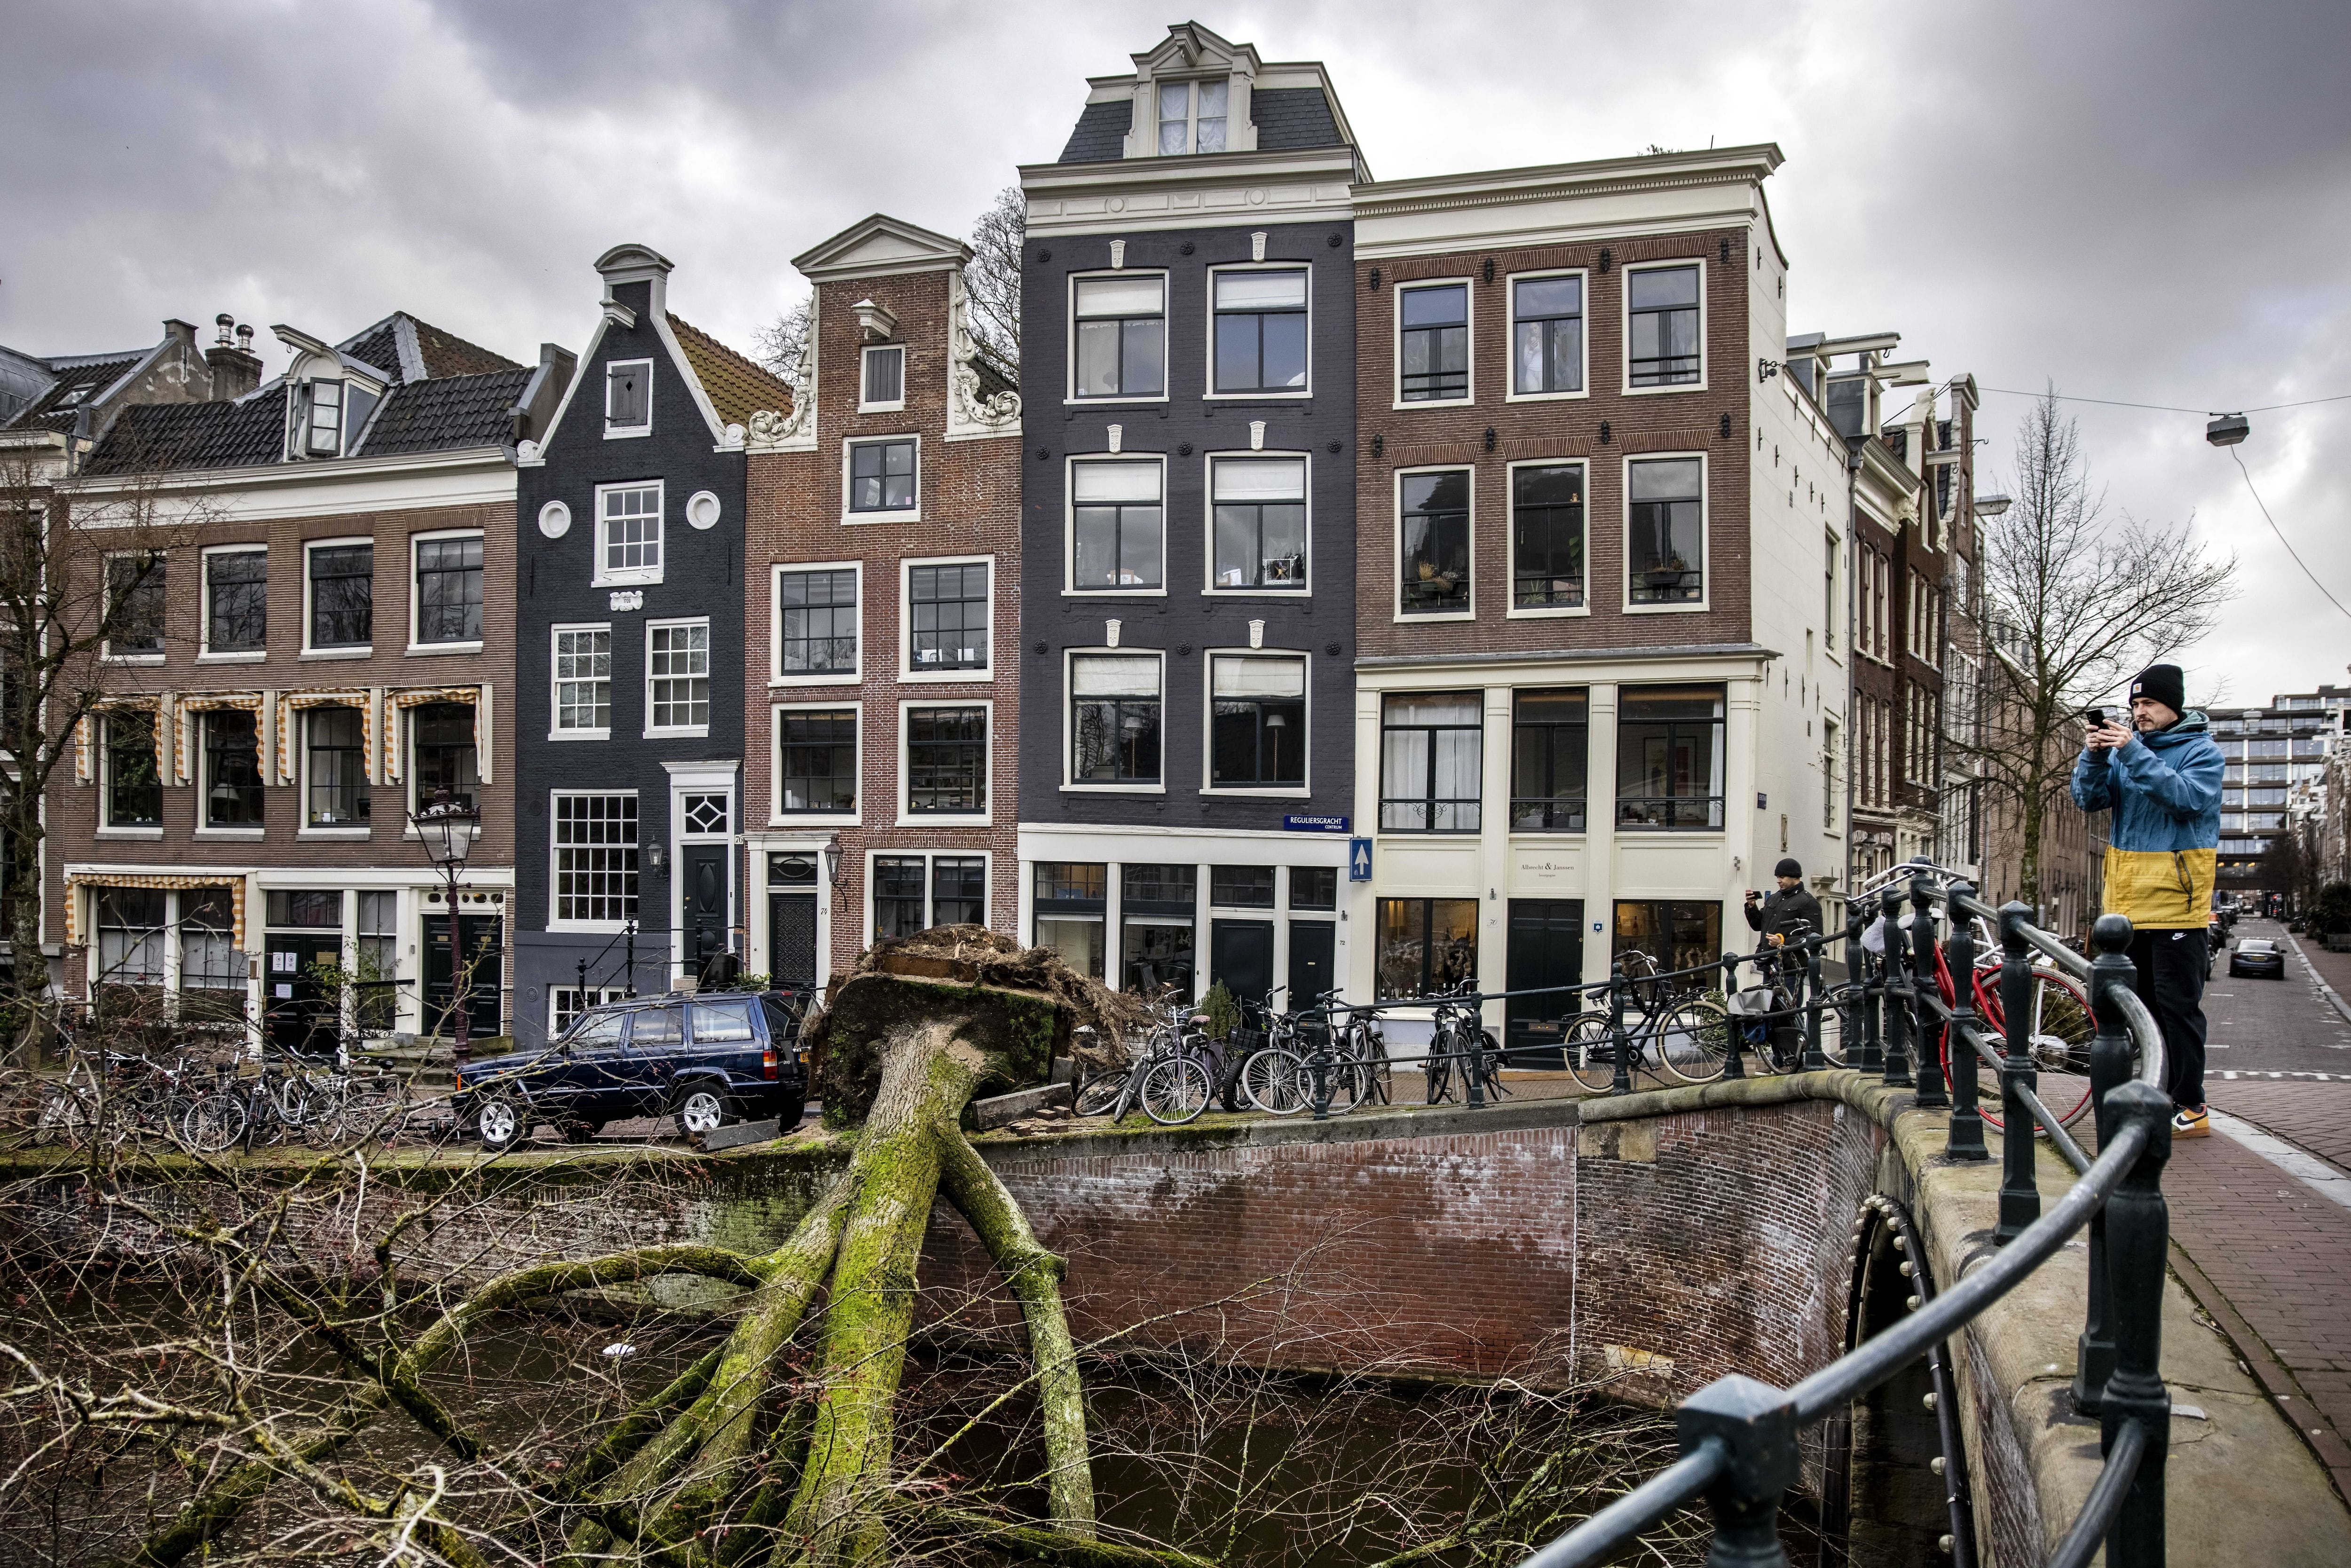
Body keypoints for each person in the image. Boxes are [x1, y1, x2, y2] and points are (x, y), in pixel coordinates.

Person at [2071, 662, 2223, 1138]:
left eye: (2148, 704)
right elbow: (2088, 800)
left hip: (2177, 903)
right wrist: (2093, 756)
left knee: (2178, 1006)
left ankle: (2191, 1104)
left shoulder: (2202, 753)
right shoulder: (2122, 752)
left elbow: (2183, 798)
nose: (2139, 712)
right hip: (2126, 904)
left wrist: (2131, 752)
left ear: (2172, 706)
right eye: (2134, 705)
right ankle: (2151, 1093)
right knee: (2137, 1008)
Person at [1745, 859, 1823, 969]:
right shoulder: (1775, 898)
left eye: (1782, 877)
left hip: (1790, 966)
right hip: (1768, 963)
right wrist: (1752, 907)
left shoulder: (1808, 902)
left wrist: (1783, 942)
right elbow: (1758, 925)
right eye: (1777, 877)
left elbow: (1815, 936)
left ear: (1795, 877)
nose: (1778, 881)